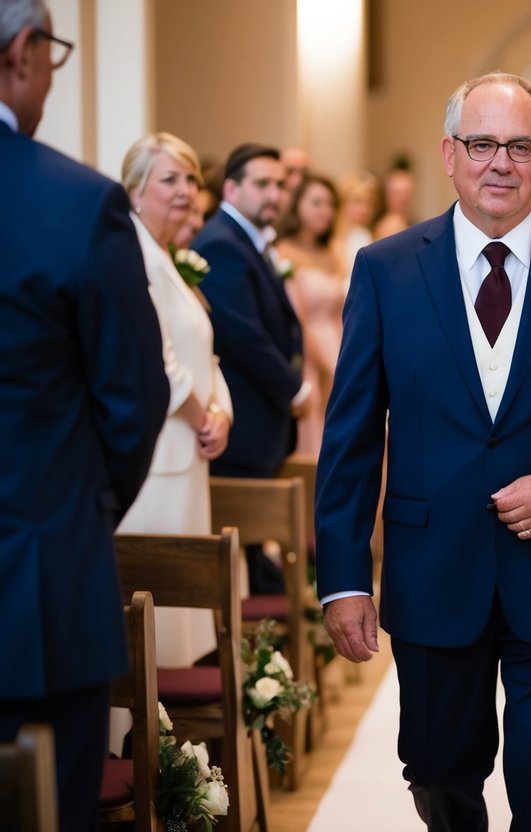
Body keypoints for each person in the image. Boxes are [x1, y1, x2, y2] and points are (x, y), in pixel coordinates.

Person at [314, 71, 531, 831]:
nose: (499, 162)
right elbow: (349, 438)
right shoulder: (385, 268)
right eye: (481, 143)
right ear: (449, 152)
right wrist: (342, 578)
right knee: (440, 767)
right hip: (432, 568)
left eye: (520, 145)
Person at [0, 3, 169, 829]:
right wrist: (80, 513)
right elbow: (132, 400)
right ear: (24, 51)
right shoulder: (76, 204)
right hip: (36, 593)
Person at [118, 132, 234, 666]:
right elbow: (156, 359)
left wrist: (222, 413)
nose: (186, 190)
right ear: (135, 190)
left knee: (183, 617)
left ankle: (173, 743)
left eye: (191, 178)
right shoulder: (132, 256)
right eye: (170, 179)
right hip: (158, 462)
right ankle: (147, 740)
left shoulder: (171, 260)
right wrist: (200, 415)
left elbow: (206, 358)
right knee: (156, 616)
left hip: (190, 455)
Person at [195, 143, 308, 479]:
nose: (274, 195)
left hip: (260, 422)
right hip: (244, 424)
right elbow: (244, 334)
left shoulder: (247, 240)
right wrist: (293, 389)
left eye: (280, 185)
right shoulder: (222, 243)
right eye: (262, 185)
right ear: (231, 188)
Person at [276, 173, 346, 456]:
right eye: (316, 203)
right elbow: (298, 319)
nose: (325, 211)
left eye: (330, 204)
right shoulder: (283, 252)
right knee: (317, 436)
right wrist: (328, 366)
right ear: (297, 206)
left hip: (339, 342)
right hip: (309, 352)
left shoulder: (333, 252)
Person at [332, 168, 380, 276]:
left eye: (369, 203)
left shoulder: (362, 236)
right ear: (342, 201)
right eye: (357, 201)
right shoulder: (327, 235)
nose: (364, 209)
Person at [374, 161, 415, 239]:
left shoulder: (410, 221)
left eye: (407, 193)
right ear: (388, 195)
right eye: (398, 193)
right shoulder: (389, 226)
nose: (403, 198)